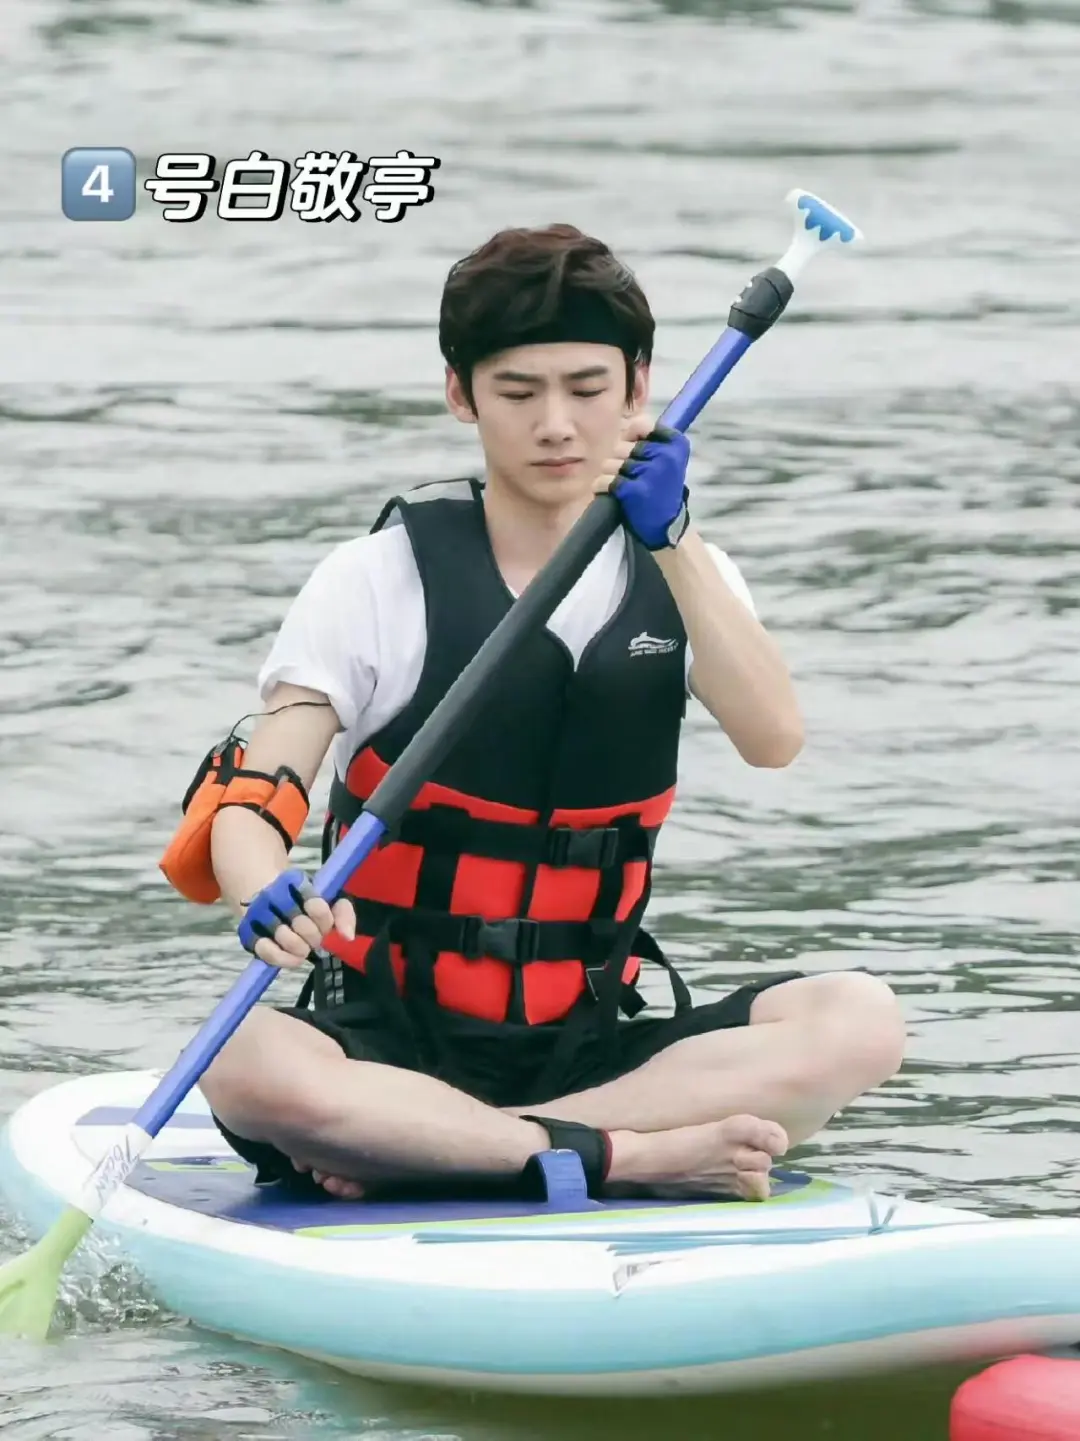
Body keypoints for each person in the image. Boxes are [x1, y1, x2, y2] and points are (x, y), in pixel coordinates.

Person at [162, 223, 905, 1206]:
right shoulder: (376, 577)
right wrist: (261, 886)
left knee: (861, 1019)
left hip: (588, 1045)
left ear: (639, 388)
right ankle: (628, 1156)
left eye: (588, 389)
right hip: (381, 1040)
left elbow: (774, 739)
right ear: (460, 393)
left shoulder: (690, 571)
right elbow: (260, 788)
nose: (556, 424)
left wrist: (675, 541)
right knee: (244, 1059)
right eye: (518, 393)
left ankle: (471, 1145)